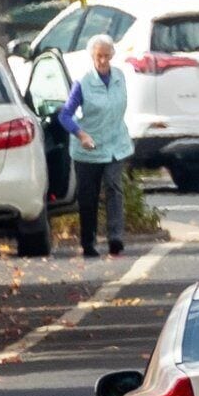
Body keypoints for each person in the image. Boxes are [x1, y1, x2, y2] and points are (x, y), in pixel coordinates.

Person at [57, 35, 133, 259]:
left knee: (113, 186)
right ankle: (88, 242)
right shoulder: (83, 82)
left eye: (106, 56)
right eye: (98, 56)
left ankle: (115, 238)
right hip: (87, 149)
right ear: (92, 56)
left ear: (112, 56)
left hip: (115, 145)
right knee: (88, 197)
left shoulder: (119, 77)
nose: (102, 60)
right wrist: (81, 135)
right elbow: (65, 115)